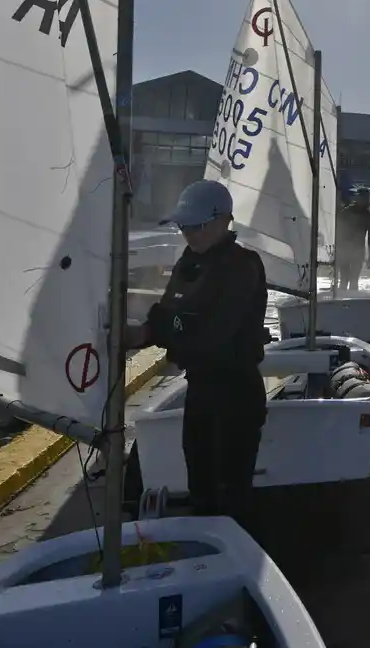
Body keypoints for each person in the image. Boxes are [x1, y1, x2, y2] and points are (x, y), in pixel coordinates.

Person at [122, 180, 267, 534]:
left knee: (230, 493)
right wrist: (142, 332)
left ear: (222, 221)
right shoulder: (189, 262)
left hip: (236, 393)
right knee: (201, 484)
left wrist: (159, 336)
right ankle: (206, 554)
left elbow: (214, 334)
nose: (189, 233)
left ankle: (235, 563)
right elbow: (171, 311)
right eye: (184, 226)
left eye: (197, 226)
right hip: (201, 391)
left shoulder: (243, 266)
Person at [333, 187, 370, 293]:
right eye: (362, 198)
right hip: (346, 250)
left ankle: (350, 300)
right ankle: (342, 301)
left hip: (357, 250)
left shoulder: (368, 216)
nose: (364, 201)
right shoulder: (347, 213)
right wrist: (336, 251)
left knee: (353, 280)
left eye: (365, 199)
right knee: (344, 279)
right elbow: (338, 232)